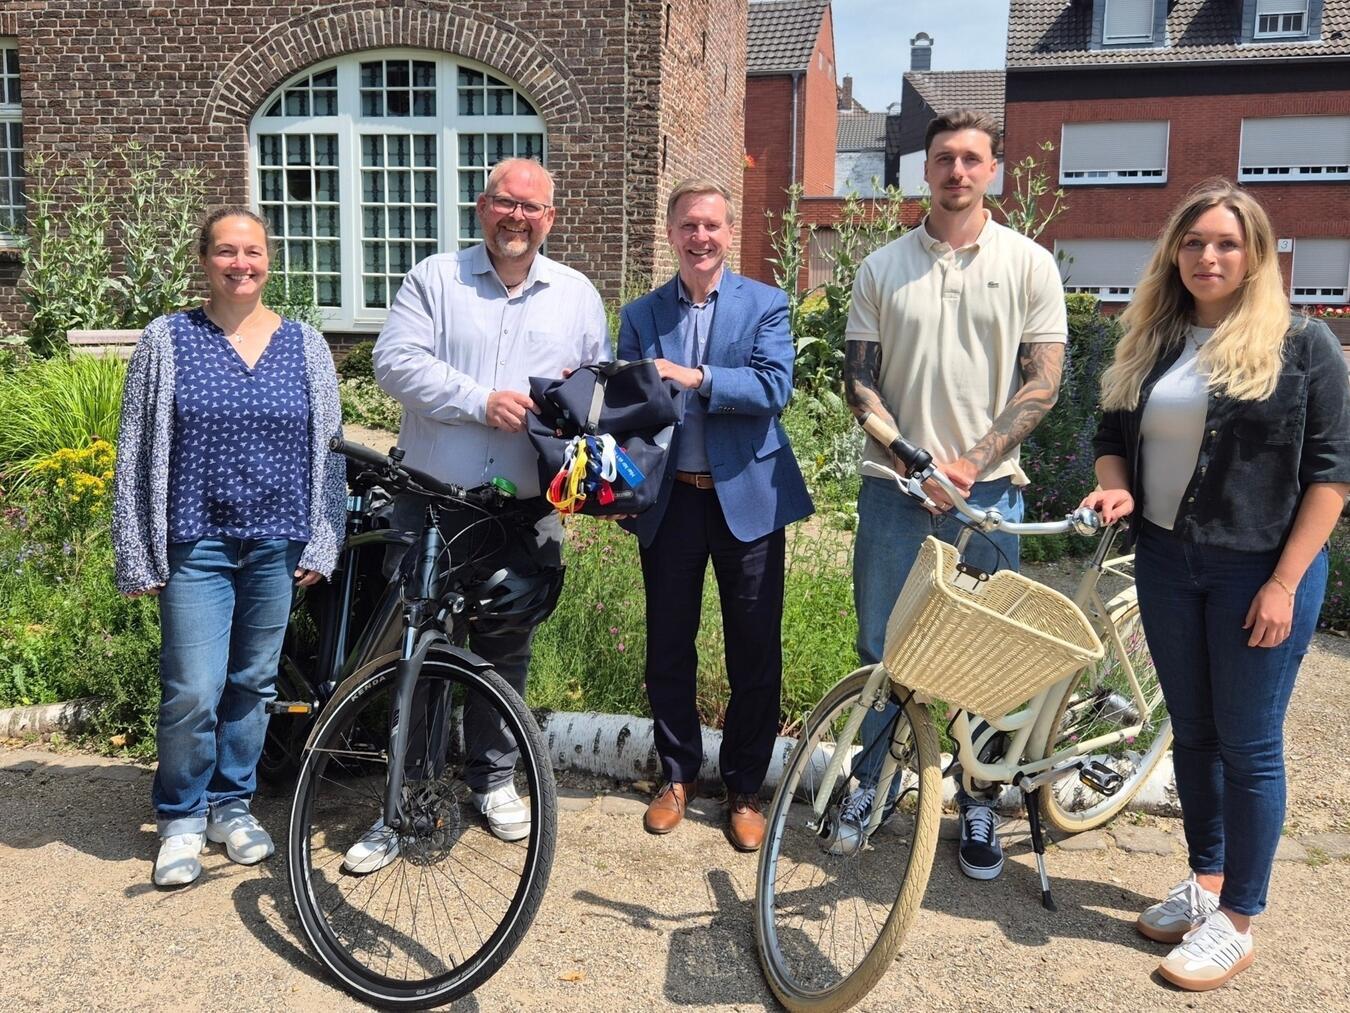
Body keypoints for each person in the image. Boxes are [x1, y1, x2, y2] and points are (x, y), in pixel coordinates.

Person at [1081, 179, 1349, 991]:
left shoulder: (1306, 346)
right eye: (1194, 242)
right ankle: (1206, 882)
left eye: (1226, 243)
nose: (1208, 256)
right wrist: (1117, 483)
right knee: (1191, 733)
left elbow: (1332, 478)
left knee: (1250, 744)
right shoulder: (1154, 341)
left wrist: (1284, 581)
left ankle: (1239, 918)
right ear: (1175, 252)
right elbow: (1109, 435)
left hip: (1259, 571)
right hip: (1167, 561)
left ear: (1256, 254)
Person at [342, 157, 607, 870]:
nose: (516, 217)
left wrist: (586, 449)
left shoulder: (577, 295)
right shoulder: (435, 279)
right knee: (419, 648)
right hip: (433, 497)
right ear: (481, 206)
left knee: (503, 646)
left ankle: (493, 780)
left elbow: (594, 391)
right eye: (503, 202)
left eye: (531, 207)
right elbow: (393, 363)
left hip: (524, 508)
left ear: (550, 218)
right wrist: (480, 398)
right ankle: (406, 798)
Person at [840, 110, 1067, 876]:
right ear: (924, 170)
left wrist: (967, 463)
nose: (957, 172)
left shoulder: (1031, 265)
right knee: (881, 650)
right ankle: (865, 787)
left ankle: (975, 803)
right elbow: (859, 380)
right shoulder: (880, 269)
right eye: (944, 158)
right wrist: (912, 457)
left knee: (984, 659)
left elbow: (1044, 381)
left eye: (972, 159)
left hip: (989, 498)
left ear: (992, 171)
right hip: (893, 493)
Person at [112, 206, 347, 887]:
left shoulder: (304, 344)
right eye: (226, 251)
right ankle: (181, 815)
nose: (240, 263)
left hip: (277, 540)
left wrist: (322, 534)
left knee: (253, 683)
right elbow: (134, 450)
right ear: (205, 259)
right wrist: (136, 545)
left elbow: (328, 451)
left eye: (252, 251)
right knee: (192, 686)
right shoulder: (167, 340)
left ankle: (230, 803)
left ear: (268, 260)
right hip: (196, 540)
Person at [617, 179, 813, 852]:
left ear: (730, 233)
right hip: (672, 502)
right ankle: (677, 776)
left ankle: (744, 788)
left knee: (754, 649)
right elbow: (631, 407)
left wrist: (696, 377)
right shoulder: (641, 315)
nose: (701, 237)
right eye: (688, 226)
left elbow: (774, 387)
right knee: (668, 642)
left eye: (713, 226)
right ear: (671, 233)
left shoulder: (765, 303)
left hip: (748, 498)